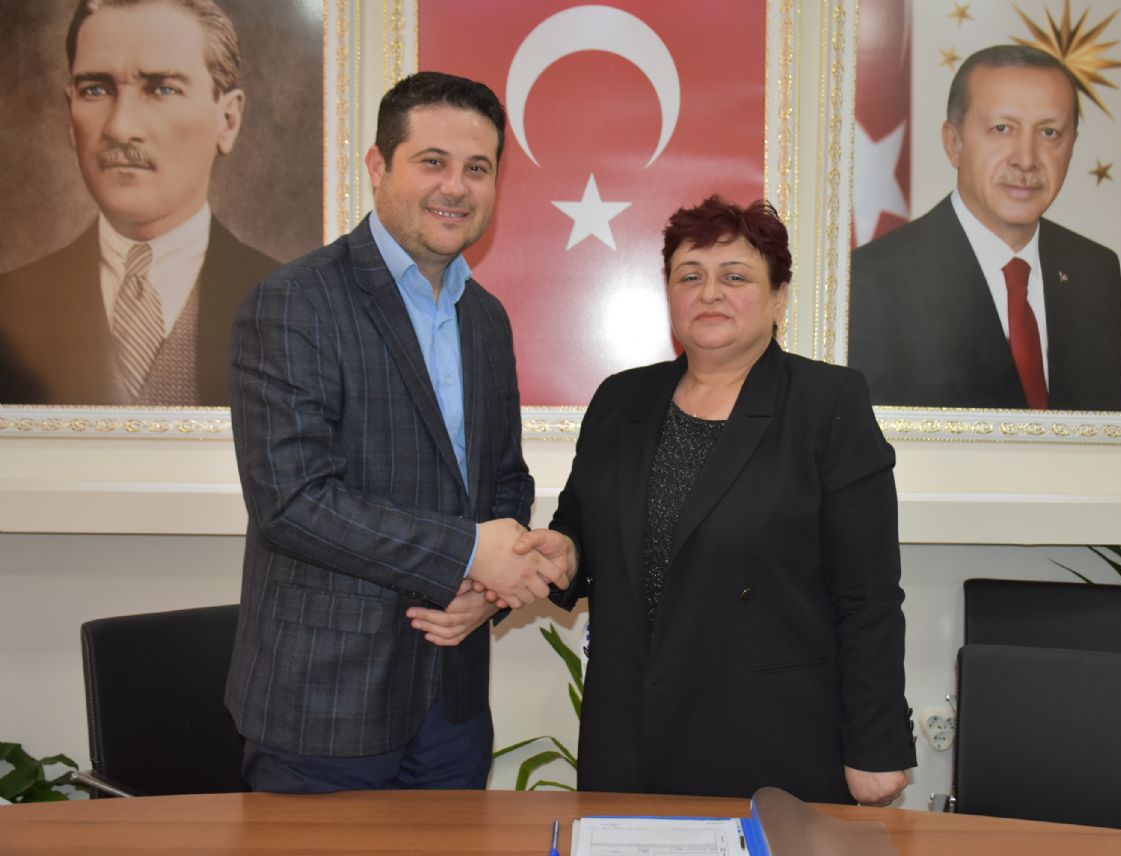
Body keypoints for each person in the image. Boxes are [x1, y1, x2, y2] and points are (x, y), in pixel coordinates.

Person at [224, 71, 566, 794]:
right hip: (325, 710)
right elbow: (292, 502)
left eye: (478, 168)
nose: (456, 187)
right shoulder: (292, 302)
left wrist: (486, 590)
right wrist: (469, 553)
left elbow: (504, 479)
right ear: (379, 166)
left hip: (453, 707)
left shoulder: (486, 317)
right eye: (432, 161)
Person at [514, 196, 916, 804]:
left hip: (768, 741)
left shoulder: (827, 403)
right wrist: (565, 552)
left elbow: (869, 595)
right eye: (690, 276)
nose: (709, 293)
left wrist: (875, 746)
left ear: (779, 297)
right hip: (628, 738)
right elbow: (582, 527)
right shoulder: (619, 399)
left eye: (735, 277)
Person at [0, 0, 278, 407]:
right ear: (70, 115)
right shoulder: (8, 309)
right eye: (96, 90)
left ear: (228, 120)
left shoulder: (290, 303)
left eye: (163, 89)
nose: (120, 127)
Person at [849, 44, 1121, 411]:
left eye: (1049, 133)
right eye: (1002, 129)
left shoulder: (1094, 270)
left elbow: (1108, 436)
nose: (1026, 160)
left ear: (1072, 145)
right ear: (954, 143)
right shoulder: (873, 280)